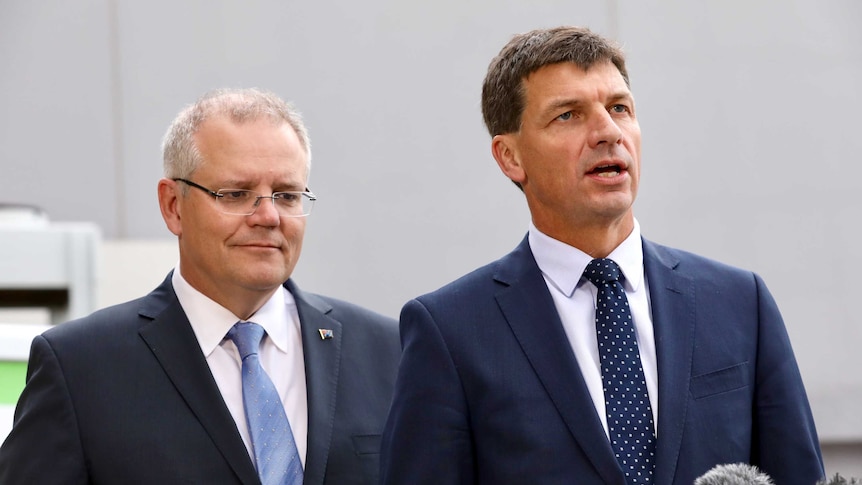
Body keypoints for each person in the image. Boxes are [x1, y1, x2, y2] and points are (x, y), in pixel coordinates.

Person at [380, 26, 824, 485]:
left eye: (619, 108)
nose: (608, 132)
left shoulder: (739, 303)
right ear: (510, 156)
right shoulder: (449, 331)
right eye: (568, 115)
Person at [0, 88, 400, 484]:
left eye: (287, 195)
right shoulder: (80, 369)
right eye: (236, 193)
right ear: (173, 206)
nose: (268, 216)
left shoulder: (389, 352)